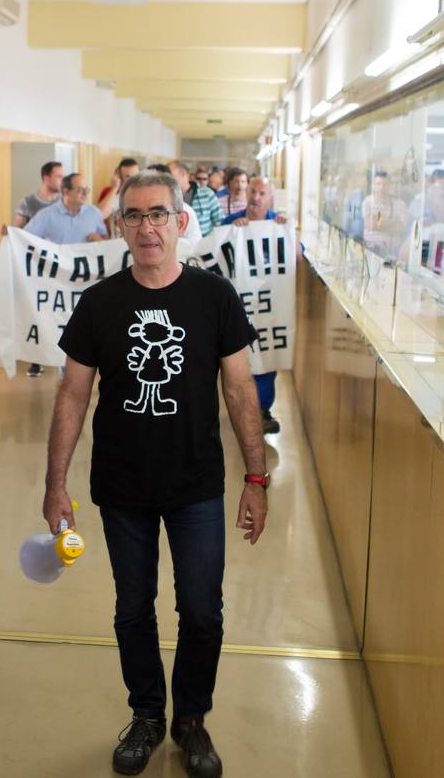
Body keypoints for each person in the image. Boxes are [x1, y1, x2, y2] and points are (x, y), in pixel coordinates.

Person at [44, 170, 269, 778]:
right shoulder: (101, 304)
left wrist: (257, 479)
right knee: (132, 608)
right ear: (120, 226)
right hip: (122, 486)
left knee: (201, 609)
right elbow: (71, 395)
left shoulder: (214, 297)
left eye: (158, 215)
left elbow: (242, 390)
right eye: (135, 216)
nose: (147, 227)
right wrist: (54, 483)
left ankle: (190, 719)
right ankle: (146, 713)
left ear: (180, 221)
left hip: (196, 484)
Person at [221, 177, 291, 434]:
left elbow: (298, 256)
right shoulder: (231, 223)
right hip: (239, 305)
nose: (256, 197)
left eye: (262, 193)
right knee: (239, 360)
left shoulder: (278, 224)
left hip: (269, 306)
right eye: (253, 191)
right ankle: (241, 409)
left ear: (270, 197)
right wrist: (233, 231)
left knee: (266, 359)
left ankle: (262, 410)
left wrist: (287, 230)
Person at [24, 171, 107, 244]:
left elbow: (106, 240)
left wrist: (100, 240)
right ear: (66, 192)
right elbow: (24, 238)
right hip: (57, 261)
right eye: (80, 190)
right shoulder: (45, 215)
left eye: (86, 189)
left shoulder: (94, 213)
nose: (85, 193)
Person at [171, 160, 223, 236]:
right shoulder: (168, 197)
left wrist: (210, 242)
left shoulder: (207, 193)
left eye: (170, 175)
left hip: (204, 244)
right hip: (178, 245)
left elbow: (220, 221)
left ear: (183, 174)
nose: (167, 179)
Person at [13, 160, 64, 228]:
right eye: (59, 177)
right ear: (47, 179)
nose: (63, 180)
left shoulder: (66, 202)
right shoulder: (27, 203)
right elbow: (17, 232)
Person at [362, 171, 401, 255]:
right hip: (371, 249)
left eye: (385, 184)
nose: (381, 187)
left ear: (389, 186)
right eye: (378, 184)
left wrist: (378, 222)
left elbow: (399, 229)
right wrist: (392, 223)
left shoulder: (399, 204)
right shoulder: (367, 202)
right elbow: (370, 224)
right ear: (373, 186)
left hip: (392, 252)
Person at [98, 157, 142, 228]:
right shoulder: (119, 197)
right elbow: (99, 215)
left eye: (136, 176)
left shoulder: (145, 195)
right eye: (128, 177)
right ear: (120, 179)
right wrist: (114, 188)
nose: (133, 181)